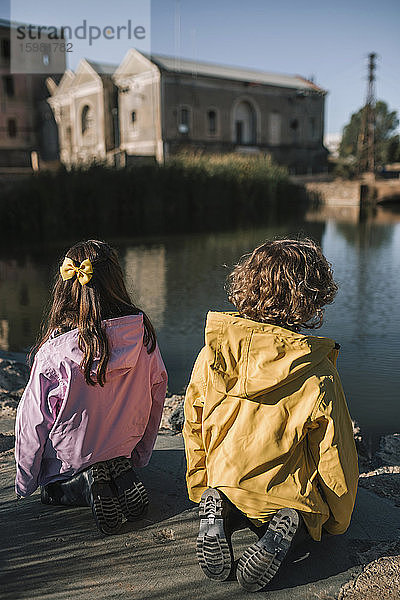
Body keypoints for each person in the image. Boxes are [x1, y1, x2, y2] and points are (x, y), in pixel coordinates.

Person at [182, 238, 358, 592]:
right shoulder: (316, 373)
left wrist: (201, 484)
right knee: (306, 521)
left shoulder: (212, 353)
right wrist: (336, 521)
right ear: (311, 300)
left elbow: (193, 425)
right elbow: (334, 455)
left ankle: (221, 511)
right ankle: (285, 532)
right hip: (285, 495)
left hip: (225, 480)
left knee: (232, 494)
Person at [15, 240, 167, 535]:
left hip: (73, 457)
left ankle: (84, 484)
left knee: (50, 490)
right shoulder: (142, 334)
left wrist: (25, 482)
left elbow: (32, 420)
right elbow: (157, 395)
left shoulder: (56, 350)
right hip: (123, 447)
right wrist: (140, 455)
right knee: (115, 455)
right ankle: (115, 470)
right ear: (116, 280)